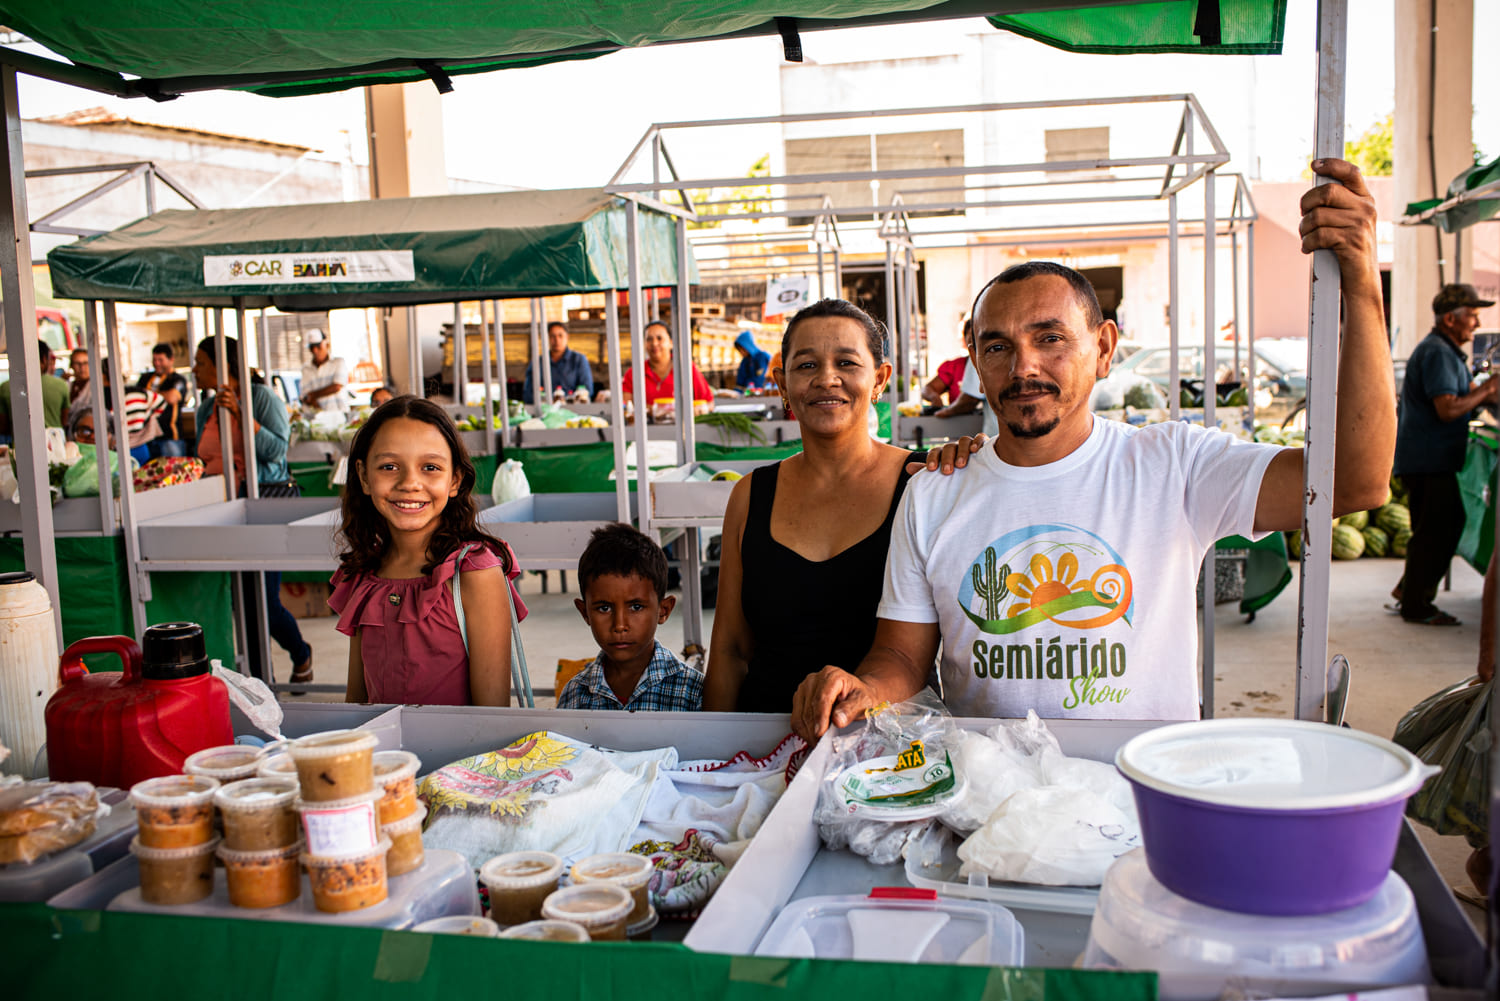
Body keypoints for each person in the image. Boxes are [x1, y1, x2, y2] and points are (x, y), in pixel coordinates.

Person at [790, 158, 1395, 740]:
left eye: (1050, 338)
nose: (1024, 366)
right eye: (998, 347)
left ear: (1104, 349)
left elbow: (1357, 480)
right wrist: (864, 688)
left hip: (1143, 800)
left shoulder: (1173, 466)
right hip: (996, 807)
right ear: (975, 360)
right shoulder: (934, 492)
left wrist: (1363, 287)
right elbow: (900, 652)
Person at [704, 299, 923, 713]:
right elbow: (731, 652)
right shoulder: (750, 494)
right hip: (761, 753)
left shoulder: (921, 482)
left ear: (879, 379)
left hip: (884, 754)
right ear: (782, 384)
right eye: (806, 366)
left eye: (846, 363)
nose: (827, 379)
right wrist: (714, 753)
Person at [331, 396, 524, 706]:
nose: (410, 482)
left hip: (461, 755)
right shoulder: (364, 573)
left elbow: (492, 715)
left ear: (455, 480)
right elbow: (356, 703)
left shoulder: (475, 573)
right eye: (389, 466)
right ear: (364, 476)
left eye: (430, 467)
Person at [193, 336, 313, 687]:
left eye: (201, 363)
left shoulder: (260, 398)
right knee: (239, 600)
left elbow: (277, 450)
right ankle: (262, 682)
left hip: (261, 504)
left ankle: (300, 651)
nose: (195, 370)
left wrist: (242, 416)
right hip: (220, 509)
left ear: (221, 365)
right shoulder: (205, 409)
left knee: (263, 599)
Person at [1389, 283, 1498, 626]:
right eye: (1473, 317)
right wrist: (1488, 390)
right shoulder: (1437, 352)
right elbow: (1447, 409)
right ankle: (1415, 604)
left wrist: (1482, 392)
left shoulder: (1445, 350)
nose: (1476, 325)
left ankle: (1409, 591)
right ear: (1451, 319)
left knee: (1433, 527)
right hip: (1427, 458)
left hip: (1426, 458)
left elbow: (1462, 393)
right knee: (1442, 526)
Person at [558, 523, 702, 711]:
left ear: (663, 610)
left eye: (635, 607)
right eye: (604, 608)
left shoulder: (692, 693)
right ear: (585, 612)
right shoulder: (575, 695)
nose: (619, 625)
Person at [621, 320, 714, 409]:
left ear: (671, 342)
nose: (654, 343)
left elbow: (709, 403)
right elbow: (626, 406)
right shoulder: (634, 373)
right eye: (649, 339)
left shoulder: (686, 368)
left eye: (659, 338)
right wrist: (655, 410)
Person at [0, 340, 70, 435]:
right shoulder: (61, 385)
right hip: (55, 444)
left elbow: (3, 426)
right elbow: (64, 421)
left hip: (20, 445)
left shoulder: (5, 388)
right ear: (44, 360)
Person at [522, 322, 594, 404]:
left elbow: (587, 390)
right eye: (552, 336)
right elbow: (528, 393)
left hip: (573, 411)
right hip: (545, 411)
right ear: (547, 338)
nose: (556, 340)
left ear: (567, 337)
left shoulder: (579, 360)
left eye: (560, 336)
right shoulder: (537, 362)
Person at [136, 343, 187, 457]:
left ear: (171, 360)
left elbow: (172, 397)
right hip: (146, 437)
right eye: (154, 360)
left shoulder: (177, 379)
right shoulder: (145, 378)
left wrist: (148, 394)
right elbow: (137, 396)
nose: (157, 363)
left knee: (174, 472)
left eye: (161, 360)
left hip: (169, 437)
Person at [299, 329, 349, 416]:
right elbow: (307, 395)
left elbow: (336, 387)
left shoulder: (338, 362)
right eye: (312, 347)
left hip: (339, 415)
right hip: (316, 418)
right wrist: (321, 413)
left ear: (327, 345)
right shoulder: (306, 369)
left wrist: (313, 395)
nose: (315, 350)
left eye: (318, 346)